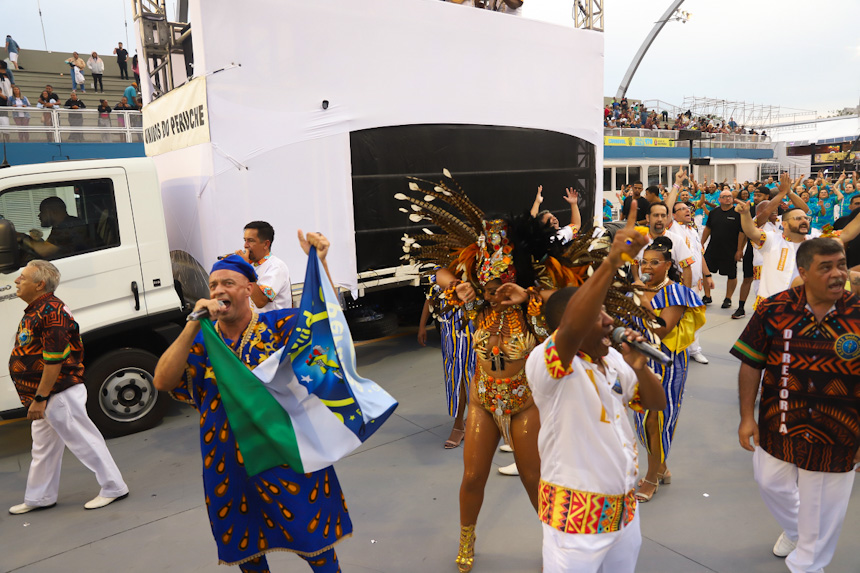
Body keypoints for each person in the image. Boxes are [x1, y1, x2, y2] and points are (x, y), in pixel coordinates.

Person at [399, 171, 585, 572]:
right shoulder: (474, 307)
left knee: (533, 481)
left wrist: (529, 296)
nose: (493, 288)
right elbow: (442, 274)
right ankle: (467, 538)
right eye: (485, 280)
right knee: (471, 478)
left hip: (523, 403)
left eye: (501, 281)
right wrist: (460, 288)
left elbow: (572, 306)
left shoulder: (534, 308)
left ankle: (556, 545)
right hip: (483, 401)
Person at [153, 234, 352, 572]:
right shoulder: (201, 341)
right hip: (227, 461)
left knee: (315, 542)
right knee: (248, 550)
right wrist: (192, 324)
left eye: (228, 283)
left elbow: (329, 328)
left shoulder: (279, 326)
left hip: (288, 452)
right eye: (214, 285)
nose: (218, 291)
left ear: (248, 289)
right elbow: (161, 381)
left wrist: (319, 263)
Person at [526, 215, 665, 572]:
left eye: (606, 313)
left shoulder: (615, 359)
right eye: (598, 314)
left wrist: (640, 368)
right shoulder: (549, 364)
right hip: (575, 525)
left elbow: (655, 402)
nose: (609, 321)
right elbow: (573, 324)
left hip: (623, 514)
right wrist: (613, 259)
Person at [732, 238, 860, 572]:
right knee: (769, 481)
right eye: (826, 267)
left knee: (821, 514)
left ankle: (808, 563)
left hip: (840, 432)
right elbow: (751, 362)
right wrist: (748, 416)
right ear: (803, 272)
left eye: (841, 264)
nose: (838, 274)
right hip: (780, 421)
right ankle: (796, 530)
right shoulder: (774, 308)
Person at [8, 260, 129, 515]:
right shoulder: (37, 309)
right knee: (43, 446)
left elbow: (54, 360)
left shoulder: (51, 312)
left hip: (57, 392)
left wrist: (41, 397)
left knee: (84, 439)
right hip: (47, 394)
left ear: (39, 284)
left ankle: (113, 487)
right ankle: (40, 496)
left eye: (23, 277)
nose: (17, 281)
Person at [632, 236, 705, 502]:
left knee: (657, 419)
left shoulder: (676, 293)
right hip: (637, 363)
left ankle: (652, 476)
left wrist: (640, 298)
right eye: (644, 262)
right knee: (641, 420)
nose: (647, 267)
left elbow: (661, 330)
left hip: (666, 364)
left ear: (667, 265)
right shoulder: (635, 290)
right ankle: (660, 466)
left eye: (654, 262)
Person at [737, 173, 860, 308]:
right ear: (784, 224)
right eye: (798, 219)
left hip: (803, 308)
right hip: (771, 307)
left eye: (805, 219)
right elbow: (751, 231)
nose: (804, 221)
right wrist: (745, 214)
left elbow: (846, 233)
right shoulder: (771, 239)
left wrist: (789, 192)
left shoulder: (815, 238)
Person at [417, 281, 475, 449]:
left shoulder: (472, 272)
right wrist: (422, 326)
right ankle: (459, 424)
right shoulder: (440, 274)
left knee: (473, 374)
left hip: (473, 332)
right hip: (450, 336)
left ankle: (470, 420)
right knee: (455, 377)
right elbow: (430, 299)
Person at [701, 188, 747, 313]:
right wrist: (700, 244)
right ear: (719, 199)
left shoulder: (738, 213)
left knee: (731, 274)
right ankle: (707, 296)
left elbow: (742, 234)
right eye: (725, 196)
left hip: (730, 250)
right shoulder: (714, 212)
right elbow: (707, 229)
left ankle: (728, 298)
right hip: (713, 248)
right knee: (705, 271)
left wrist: (739, 250)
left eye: (730, 196)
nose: (728, 198)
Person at [234, 221, 292, 311]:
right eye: (245, 240)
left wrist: (246, 268)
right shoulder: (251, 265)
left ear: (266, 244)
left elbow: (260, 301)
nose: (245, 246)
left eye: (251, 241)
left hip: (273, 324)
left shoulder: (276, 266)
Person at [18, 196, 90, 259]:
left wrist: (22, 237)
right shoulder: (62, 225)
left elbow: (45, 251)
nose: (39, 215)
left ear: (52, 212)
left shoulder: (67, 227)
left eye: (42, 212)